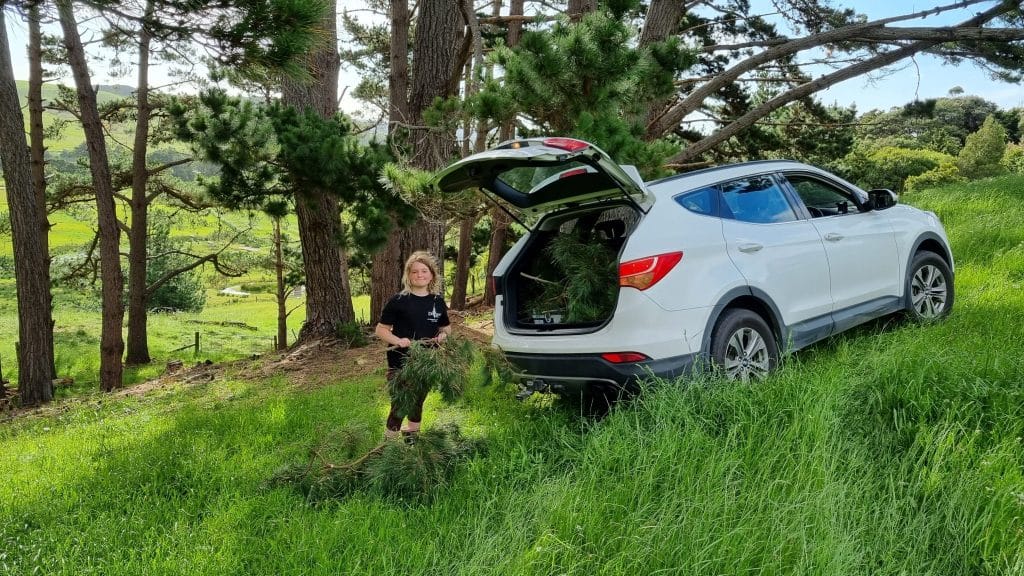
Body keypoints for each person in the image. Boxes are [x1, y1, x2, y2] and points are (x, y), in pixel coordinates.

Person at [374, 251, 451, 440]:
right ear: (408, 275)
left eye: (424, 271)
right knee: (400, 402)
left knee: (418, 400)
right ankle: (389, 442)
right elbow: (381, 330)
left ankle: (412, 436)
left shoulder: (437, 302)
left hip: (427, 362)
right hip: (400, 362)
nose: (419, 275)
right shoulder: (398, 301)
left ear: (432, 274)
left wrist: (442, 336)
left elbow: (446, 328)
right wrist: (398, 341)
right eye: (415, 271)